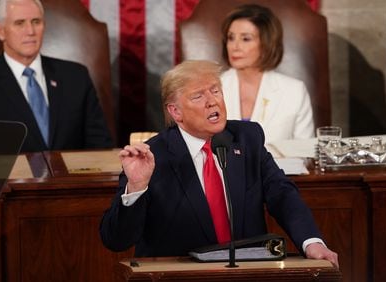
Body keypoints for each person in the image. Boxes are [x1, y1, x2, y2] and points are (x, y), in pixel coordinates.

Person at [100, 60, 339, 267]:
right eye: (198, 96)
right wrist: (137, 187)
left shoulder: (247, 138)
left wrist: (311, 242)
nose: (212, 101)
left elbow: (282, 194)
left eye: (215, 91)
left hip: (246, 275)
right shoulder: (153, 157)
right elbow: (116, 240)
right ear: (176, 112)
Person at [0, 0, 113, 152]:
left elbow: (100, 145)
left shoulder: (76, 77)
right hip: (11, 180)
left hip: (74, 180)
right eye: (19, 23)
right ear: (0, 30)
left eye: (36, 21)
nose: (30, 31)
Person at [220, 4, 314, 144]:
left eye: (246, 39)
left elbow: (306, 152)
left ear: (266, 44)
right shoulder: (212, 88)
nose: (235, 46)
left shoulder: (294, 91)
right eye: (231, 38)